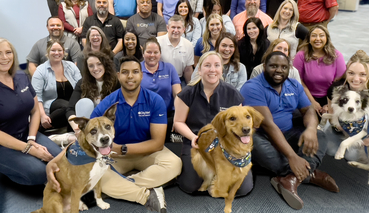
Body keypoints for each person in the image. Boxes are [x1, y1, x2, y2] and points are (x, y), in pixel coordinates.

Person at [240, 51, 339, 210]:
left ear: (289, 69)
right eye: (273, 66)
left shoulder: (294, 85)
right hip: (262, 136)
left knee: (320, 135)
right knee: (253, 144)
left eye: (283, 67)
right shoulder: (252, 87)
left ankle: (290, 178)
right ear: (264, 66)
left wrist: (311, 129)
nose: (279, 70)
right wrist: (292, 157)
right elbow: (268, 125)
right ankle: (309, 174)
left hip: (289, 132)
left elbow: (308, 111)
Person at [90, 56, 182, 211]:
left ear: (142, 75)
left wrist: (122, 148)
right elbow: (90, 136)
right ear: (118, 76)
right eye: (125, 72)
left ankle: (124, 184)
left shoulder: (155, 100)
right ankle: (148, 193)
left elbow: (158, 143)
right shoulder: (108, 103)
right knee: (96, 175)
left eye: (135, 72)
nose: (130, 76)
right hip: (116, 157)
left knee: (175, 164)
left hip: (147, 152)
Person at [0, 38, 61, 185]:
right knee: (39, 172)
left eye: (8, 52)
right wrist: (30, 149)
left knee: (60, 159)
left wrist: (31, 139)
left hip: (25, 134)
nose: (5, 57)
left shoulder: (21, 76)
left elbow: (35, 111)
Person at [174, 51, 252, 195]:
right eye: (207, 65)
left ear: (222, 69)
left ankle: (217, 174)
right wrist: (192, 137)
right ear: (199, 69)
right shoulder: (187, 93)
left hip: (226, 145)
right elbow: (178, 122)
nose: (212, 70)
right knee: (190, 186)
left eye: (217, 65)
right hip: (196, 144)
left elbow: (239, 126)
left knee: (242, 188)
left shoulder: (233, 94)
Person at [31, 40, 82, 135]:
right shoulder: (40, 71)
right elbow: (36, 97)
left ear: (64, 52)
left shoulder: (71, 66)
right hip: (52, 108)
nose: (57, 53)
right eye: (53, 50)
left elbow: (81, 86)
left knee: (68, 108)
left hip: (68, 109)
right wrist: (42, 115)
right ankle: (39, 129)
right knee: (67, 106)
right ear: (48, 52)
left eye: (59, 50)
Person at [293, 25, 346, 115]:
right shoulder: (301, 55)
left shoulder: (337, 55)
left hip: (331, 97)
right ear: (309, 39)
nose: (318, 38)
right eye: (314, 35)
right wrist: (312, 102)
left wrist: (330, 104)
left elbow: (340, 83)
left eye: (321, 35)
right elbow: (298, 81)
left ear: (327, 38)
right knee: (309, 118)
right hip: (306, 96)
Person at [141, 37, 182, 139]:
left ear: (160, 54)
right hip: (144, 117)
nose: (152, 55)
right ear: (143, 53)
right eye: (149, 52)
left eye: (156, 52)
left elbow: (178, 94)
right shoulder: (136, 69)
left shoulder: (169, 68)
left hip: (167, 116)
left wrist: (178, 117)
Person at [69, 51, 120, 119]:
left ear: (105, 65)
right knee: (85, 102)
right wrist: (74, 122)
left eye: (99, 64)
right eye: (91, 66)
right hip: (88, 124)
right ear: (87, 68)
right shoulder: (82, 83)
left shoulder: (116, 83)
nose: (95, 68)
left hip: (109, 123)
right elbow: (70, 109)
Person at [157, 15, 194, 84]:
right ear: (167, 28)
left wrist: (191, 87)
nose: (176, 30)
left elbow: (188, 69)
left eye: (179, 28)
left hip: (180, 79)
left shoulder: (188, 45)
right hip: (160, 78)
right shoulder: (157, 42)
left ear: (183, 29)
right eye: (173, 27)